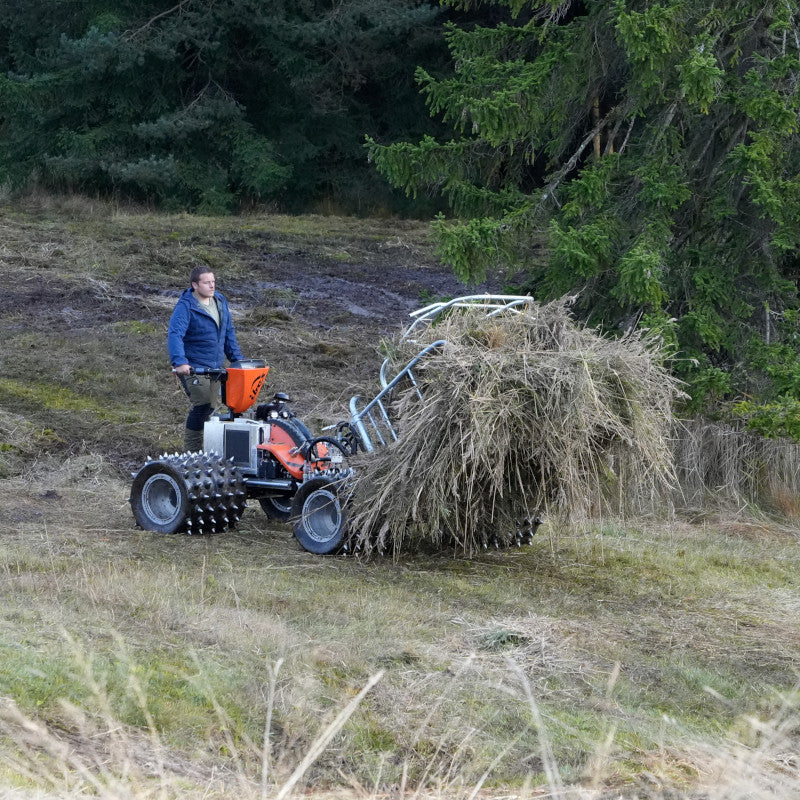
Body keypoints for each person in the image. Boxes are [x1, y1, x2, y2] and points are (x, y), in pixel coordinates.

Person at [167, 265, 244, 451]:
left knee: (212, 408)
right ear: (195, 285)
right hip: (194, 366)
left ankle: (208, 449)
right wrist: (180, 362)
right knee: (203, 404)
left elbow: (228, 333)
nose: (212, 286)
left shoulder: (220, 301)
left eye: (213, 282)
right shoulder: (186, 306)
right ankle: (191, 451)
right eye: (206, 282)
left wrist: (239, 361)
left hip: (215, 367)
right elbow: (175, 334)